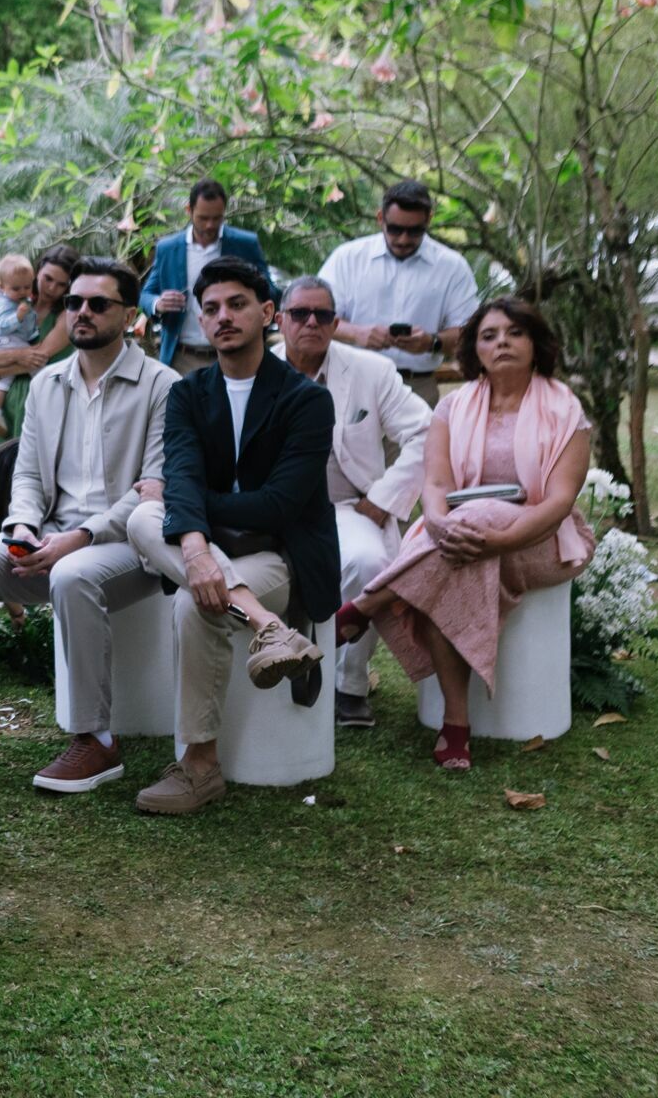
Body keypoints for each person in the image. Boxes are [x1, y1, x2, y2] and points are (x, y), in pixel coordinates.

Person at [332, 298, 595, 771]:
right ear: (475, 349)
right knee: (453, 561)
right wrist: (436, 522)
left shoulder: (564, 408)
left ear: (535, 344)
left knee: (483, 516)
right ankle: (456, 725)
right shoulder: (454, 406)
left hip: (542, 540)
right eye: (489, 335)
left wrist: (494, 537)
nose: (502, 343)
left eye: (514, 333)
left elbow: (557, 503)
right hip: (455, 540)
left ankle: (365, 606)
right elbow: (435, 486)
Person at [125, 258, 339, 815]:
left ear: (268, 313)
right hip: (211, 549)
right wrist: (195, 548)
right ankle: (269, 627)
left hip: (282, 555)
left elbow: (279, 505)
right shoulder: (189, 394)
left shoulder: (306, 400)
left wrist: (187, 509)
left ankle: (198, 767)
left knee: (197, 598)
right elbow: (187, 471)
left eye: (237, 304)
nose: (223, 317)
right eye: (212, 308)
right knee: (140, 519)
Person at [0, 259, 179, 793]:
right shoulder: (47, 383)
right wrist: (20, 526)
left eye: (97, 304)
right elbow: (28, 476)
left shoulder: (163, 385)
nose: (81, 312)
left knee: (74, 575)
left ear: (131, 315)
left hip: (132, 547)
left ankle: (97, 740)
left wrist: (81, 537)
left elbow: (153, 486)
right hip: (51, 538)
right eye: (73, 303)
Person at [275, 277, 433, 729]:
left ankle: (349, 686)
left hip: (346, 505)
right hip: (268, 506)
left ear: (336, 323)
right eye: (300, 313)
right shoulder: (256, 368)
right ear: (280, 319)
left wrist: (385, 499)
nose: (311, 322)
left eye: (322, 315)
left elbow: (426, 432)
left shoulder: (371, 371)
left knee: (371, 562)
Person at [318, 180, 480, 407]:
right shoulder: (347, 258)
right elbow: (315, 317)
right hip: (351, 382)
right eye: (395, 229)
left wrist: (431, 342)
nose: (404, 239)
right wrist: (357, 333)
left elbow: (469, 333)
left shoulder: (452, 266)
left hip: (416, 388)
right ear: (380, 218)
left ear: (429, 220)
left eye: (415, 231)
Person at [139, 178, 269, 374]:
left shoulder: (244, 244)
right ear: (189, 211)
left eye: (217, 218)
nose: (210, 225)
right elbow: (145, 295)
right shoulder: (168, 248)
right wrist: (158, 304)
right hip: (181, 357)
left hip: (235, 355)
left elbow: (269, 291)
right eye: (203, 218)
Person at [0, 243, 78, 438]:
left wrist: (2, 370)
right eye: (47, 278)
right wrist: (19, 355)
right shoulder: (13, 304)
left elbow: (39, 357)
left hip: (45, 401)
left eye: (61, 284)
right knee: (0, 464)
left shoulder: (67, 315)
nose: (51, 288)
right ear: (37, 273)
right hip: (7, 404)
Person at [0, 253, 39, 436]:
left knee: (4, 380)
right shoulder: (3, 304)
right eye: (16, 288)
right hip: (6, 341)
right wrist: (18, 316)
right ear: (1, 286)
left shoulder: (10, 298)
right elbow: (4, 326)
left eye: (27, 287)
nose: (22, 292)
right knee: (36, 363)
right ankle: (44, 386)